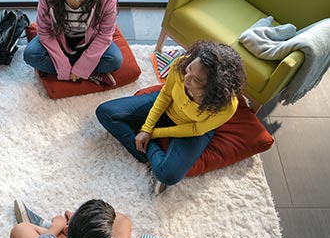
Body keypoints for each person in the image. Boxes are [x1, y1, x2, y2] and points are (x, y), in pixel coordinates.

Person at [96, 40, 246, 194]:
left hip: (193, 128)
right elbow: (165, 95)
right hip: (168, 106)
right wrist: (146, 129)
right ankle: (149, 161)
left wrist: (153, 133)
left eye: (197, 80)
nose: (187, 78)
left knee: (168, 175)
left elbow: (195, 129)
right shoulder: (181, 64)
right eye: (189, 70)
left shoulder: (226, 105)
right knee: (105, 112)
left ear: (214, 87)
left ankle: (145, 143)